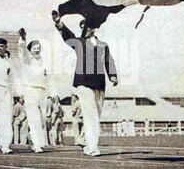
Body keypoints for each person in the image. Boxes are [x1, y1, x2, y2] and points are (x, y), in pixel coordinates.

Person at [52, 11, 118, 156]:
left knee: (96, 115)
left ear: (93, 28)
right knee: (91, 115)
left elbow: (109, 61)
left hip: (99, 84)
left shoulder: (103, 45)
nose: (84, 30)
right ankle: (93, 147)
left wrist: (112, 76)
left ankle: (84, 140)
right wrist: (59, 23)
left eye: (86, 27)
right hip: (83, 83)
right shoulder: (79, 43)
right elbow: (67, 36)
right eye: (82, 27)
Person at [18, 28, 52, 153]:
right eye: (34, 48)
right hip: (30, 90)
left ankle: (31, 136)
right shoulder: (27, 60)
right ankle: (37, 144)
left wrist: (52, 93)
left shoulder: (43, 62)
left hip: (42, 91)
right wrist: (23, 39)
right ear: (30, 49)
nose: (37, 50)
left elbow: (47, 77)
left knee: (43, 119)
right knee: (34, 118)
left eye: (39, 48)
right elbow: (22, 50)